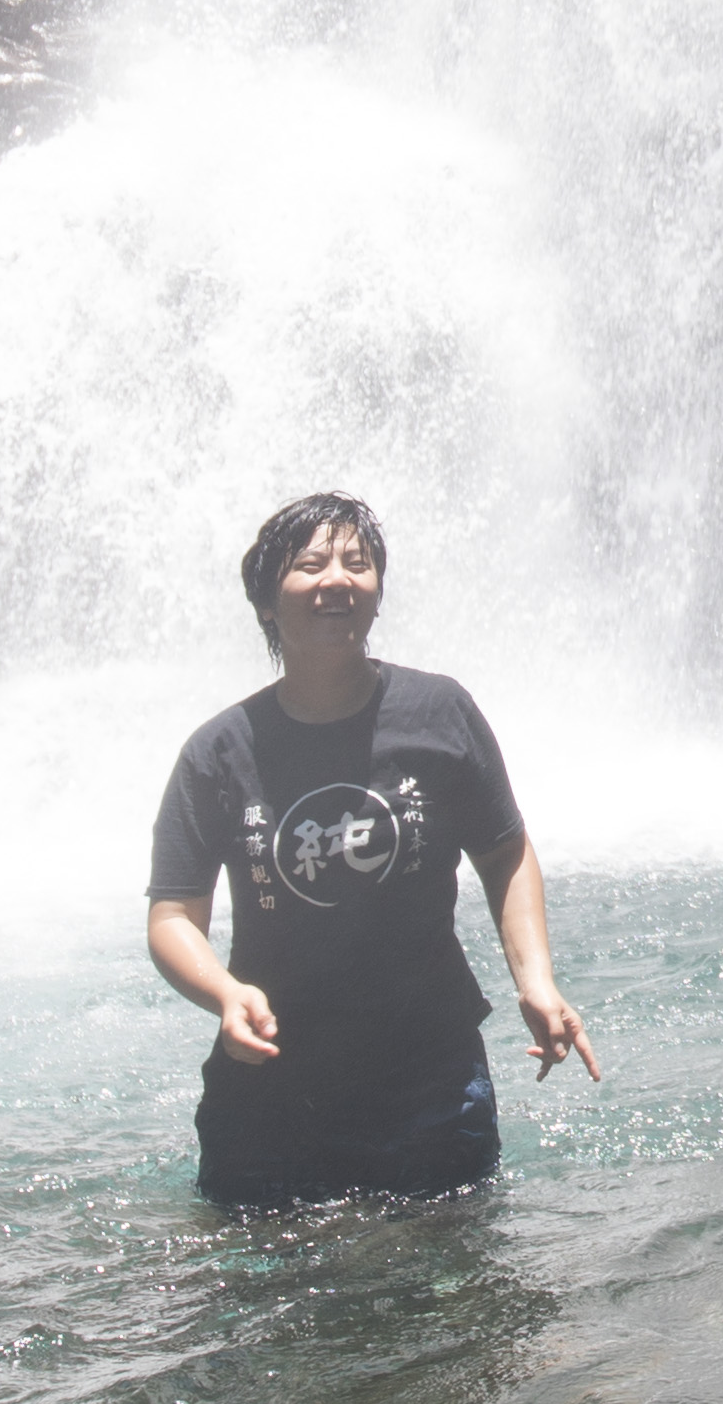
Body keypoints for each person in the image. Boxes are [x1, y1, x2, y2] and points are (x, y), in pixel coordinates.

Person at [142, 491, 594, 1207]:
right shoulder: (220, 752)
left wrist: (536, 979)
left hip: (429, 1080)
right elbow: (173, 914)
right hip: (271, 1088)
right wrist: (225, 995)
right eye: (310, 565)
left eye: (357, 563)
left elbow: (504, 852)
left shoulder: (439, 712)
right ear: (265, 603)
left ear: (378, 593)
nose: (338, 580)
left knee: (454, 1267)